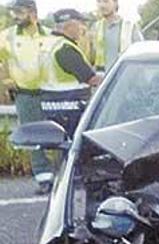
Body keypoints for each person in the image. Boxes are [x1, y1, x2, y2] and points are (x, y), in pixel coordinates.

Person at [0, 0, 53, 193]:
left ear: (32, 12)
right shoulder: (8, 36)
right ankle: (44, 179)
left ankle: (64, 178)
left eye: (19, 11)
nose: (15, 16)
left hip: (51, 93)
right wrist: (6, 79)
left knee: (60, 134)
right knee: (33, 137)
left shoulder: (49, 34)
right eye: (14, 12)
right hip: (25, 95)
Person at [41, 9, 102, 138]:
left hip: (51, 107)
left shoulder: (47, 43)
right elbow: (91, 79)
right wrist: (114, 81)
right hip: (70, 110)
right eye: (81, 24)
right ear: (70, 25)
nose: (83, 28)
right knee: (74, 149)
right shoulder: (65, 49)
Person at [90, 0, 143, 72]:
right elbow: (92, 57)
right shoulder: (96, 27)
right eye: (99, 1)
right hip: (104, 77)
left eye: (106, 1)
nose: (102, 5)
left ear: (115, 3)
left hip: (126, 75)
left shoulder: (129, 25)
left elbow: (141, 53)